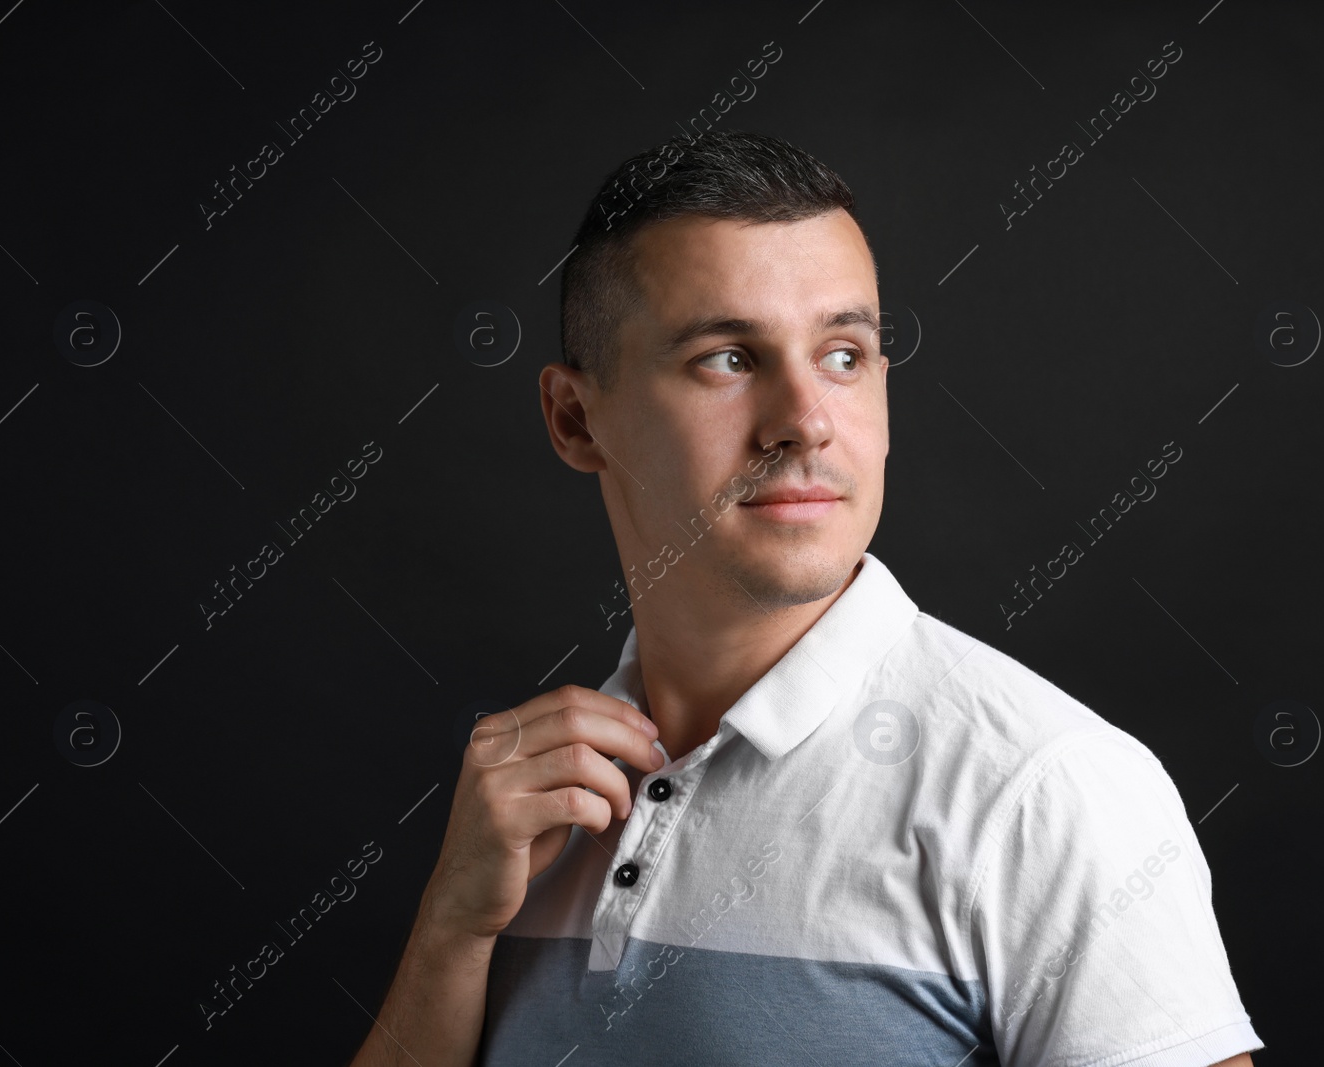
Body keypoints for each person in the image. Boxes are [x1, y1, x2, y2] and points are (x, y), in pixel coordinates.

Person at [348, 130, 1263, 1067]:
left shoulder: (1046, 789)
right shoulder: (529, 809)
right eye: (728, 358)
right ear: (577, 419)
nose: (806, 420)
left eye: (843, 354)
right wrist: (449, 932)